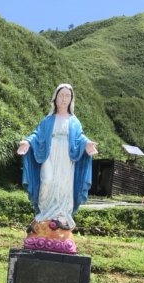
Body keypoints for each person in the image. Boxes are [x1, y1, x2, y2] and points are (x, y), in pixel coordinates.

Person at [16, 83, 98, 231]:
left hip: (66, 157)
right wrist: (27, 142)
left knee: (64, 185)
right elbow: (37, 135)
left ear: (71, 99)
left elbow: (79, 137)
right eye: (61, 95)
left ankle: (61, 215)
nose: (64, 99)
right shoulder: (47, 120)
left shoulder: (74, 121)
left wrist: (87, 144)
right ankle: (44, 213)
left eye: (68, 95)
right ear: (55, 98)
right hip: (50, 153)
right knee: (47, 180)